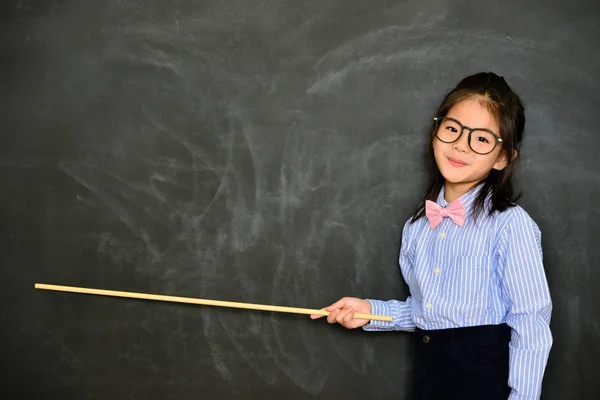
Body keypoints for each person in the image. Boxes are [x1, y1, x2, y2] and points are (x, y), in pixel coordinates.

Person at [311, 72, 553, 400]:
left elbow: (531, 323)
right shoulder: (417, 228)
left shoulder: (510, 224)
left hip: (483, 382)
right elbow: (426, 311)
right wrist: (368, 311)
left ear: (502, 158)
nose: (460, 145)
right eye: (452, 129)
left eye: (481, 139)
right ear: (436, 132)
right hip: (430, 374)